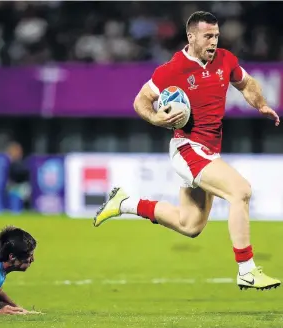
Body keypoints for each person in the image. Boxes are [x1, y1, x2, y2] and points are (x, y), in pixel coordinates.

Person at [93, 11, 281, 291]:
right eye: (208, 36)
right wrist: (156, 118)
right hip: (187, 148)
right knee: (240, 191)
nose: (213, 41)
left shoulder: (225, 59)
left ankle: (124, 203)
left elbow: (247, 83)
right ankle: (247, 270)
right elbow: (141, 100)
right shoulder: (173, 69)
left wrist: (261, 104)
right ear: (191, 37)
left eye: (216, 35)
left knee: (190, 224)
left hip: (209, 152)